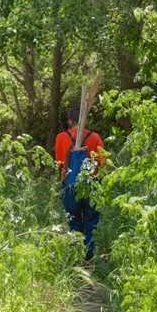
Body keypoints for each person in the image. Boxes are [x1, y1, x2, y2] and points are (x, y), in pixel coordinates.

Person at [54, 106, 105, 261]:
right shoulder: (95, 137)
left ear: (70, 121)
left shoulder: (61, 137)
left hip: (69, 186)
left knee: (74, 221)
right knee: (91, 222)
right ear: (86, 120)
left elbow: (58, 163)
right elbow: (102, 163)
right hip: (92, 185)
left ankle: (77, 256)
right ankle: (88, 257)